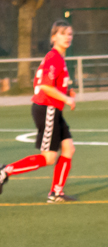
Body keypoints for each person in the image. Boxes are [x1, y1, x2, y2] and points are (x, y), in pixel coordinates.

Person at [0, 20, 76, 203]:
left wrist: (68, 91)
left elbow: (53, 82)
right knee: (49, 157)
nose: (67, 37)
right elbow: (45, 86)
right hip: (47, 109)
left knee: (68, 148)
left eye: (70, 34)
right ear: (53, 37)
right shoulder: (54, 57)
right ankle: (4, 171)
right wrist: (66, 98)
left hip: (53, 109)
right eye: (63, 33)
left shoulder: (59, 58)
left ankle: (56, 192)